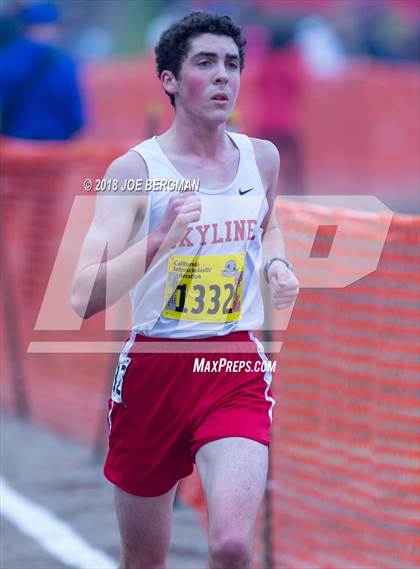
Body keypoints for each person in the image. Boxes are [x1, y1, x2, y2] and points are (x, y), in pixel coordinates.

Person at [72, 11, 299, 569]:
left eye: (232, 64)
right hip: (153, 368)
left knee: (230, 546)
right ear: (170, 80)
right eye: (205, 63)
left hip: (231, 364)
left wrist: (276, 266)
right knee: (145, 559)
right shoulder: (132, 172)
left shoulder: (261, 158)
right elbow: (81, 295)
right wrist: (159, 241)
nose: (224, 76)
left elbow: (266, 226)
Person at [0, 1, 84, 140]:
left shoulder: (7, 58)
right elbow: (76, 117)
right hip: (54, 146)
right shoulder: (64, 63)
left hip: (15, 144)